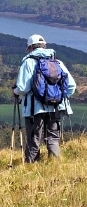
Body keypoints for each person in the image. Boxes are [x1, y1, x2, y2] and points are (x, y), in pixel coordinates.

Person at [12, 34, 76, 163]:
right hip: (55, 107)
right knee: (53, 137)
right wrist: (60, 98)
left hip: (34, 109)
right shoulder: (57, 62)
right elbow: (71, 86)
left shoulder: (28, 62)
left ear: (30, 47)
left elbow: (23, 88)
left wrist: (15, 91)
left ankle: (32, 165)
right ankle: (56, 165)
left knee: (34, 138)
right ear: (44, 46)